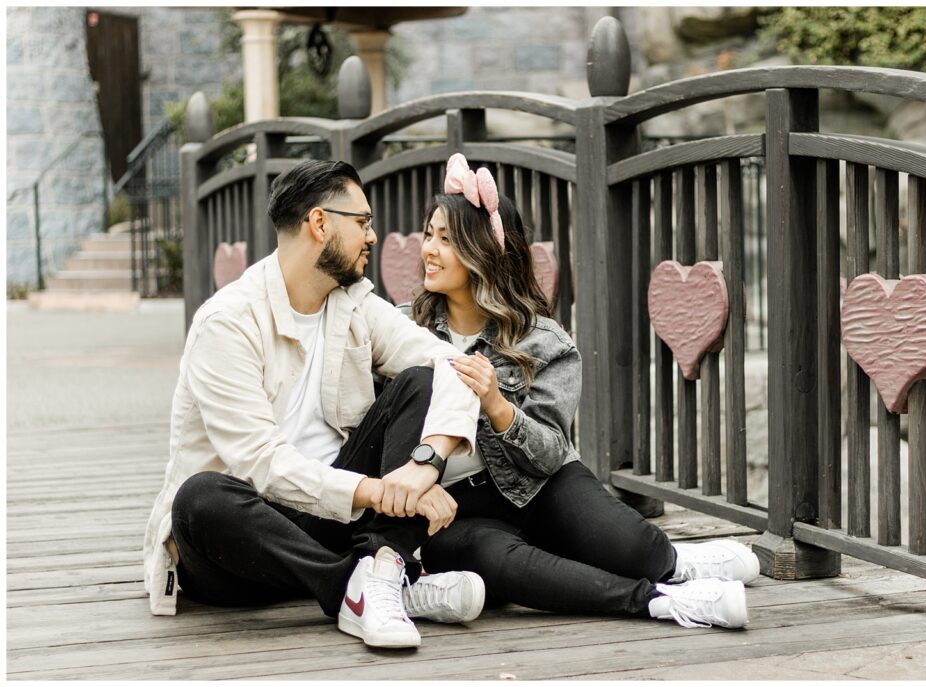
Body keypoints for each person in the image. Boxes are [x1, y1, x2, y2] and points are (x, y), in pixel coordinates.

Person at [142, 160, 489, 649]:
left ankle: (382, 573)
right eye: (363, 222)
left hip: (330, 520)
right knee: (200, 498)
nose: (373, 237)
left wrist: (425, 463)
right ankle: (366, 586)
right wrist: (377, 491)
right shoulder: (227, 322)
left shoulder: (352, 303)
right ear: (320, 223)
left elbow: (454, 364)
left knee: (418, 381)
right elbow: (262, 463)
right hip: (240, 547)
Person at [404, 153, 758, 629]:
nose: (428, 248)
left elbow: (550, 455)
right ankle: (661, 600)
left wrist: (497, 406)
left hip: (537, 484)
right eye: (429, 234)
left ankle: (673, 564)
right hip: (453, 505)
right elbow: (382, 425)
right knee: (500, 562)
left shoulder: (543, 339)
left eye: (445, 239)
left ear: (482, 250)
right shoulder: (406, 328)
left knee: (633, 547)